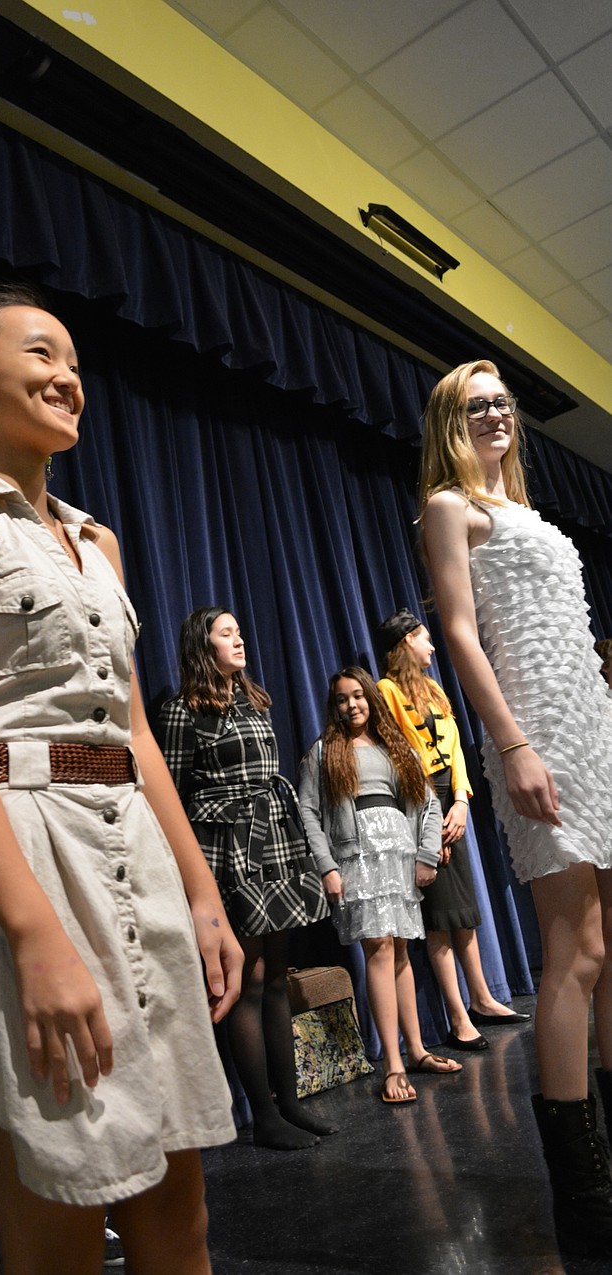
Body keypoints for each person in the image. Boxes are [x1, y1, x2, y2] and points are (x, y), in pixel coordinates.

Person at [0, 283, 243, 1275]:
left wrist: (203, 892)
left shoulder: (99, 543)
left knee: (179, 1213)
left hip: (131, 848)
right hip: (24, 855)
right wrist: (34, 933)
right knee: (59, 1218)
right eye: (41, 354)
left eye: (76, 366)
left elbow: (130, 728)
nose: (67, 379)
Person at [419, 358, 612, 1257]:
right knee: (574, 953)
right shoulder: (450, 507)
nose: (495, 413)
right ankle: (586, 1192)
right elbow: (459, 631)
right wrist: (512, 745)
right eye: (475, 403)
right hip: (534, 733)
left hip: (593, 732)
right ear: (450, 421)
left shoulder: (531, 512)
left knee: (611, 953)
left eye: (503, 402)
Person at [159, 607, 335, 1149]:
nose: (239, 640)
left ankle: (291, 1103)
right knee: (251, 982)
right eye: (226, 633)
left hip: (275, 841)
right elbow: (171, 795)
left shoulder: (254, 701)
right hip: (229, 850)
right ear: (202, 645)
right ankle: (262, 1115)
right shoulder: (182, 712)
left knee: (279, 977)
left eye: (240, 630)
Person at [298, 666, 462, 1105]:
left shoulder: (395, 747)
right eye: (342, 699)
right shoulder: (322, 753)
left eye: (358, 696)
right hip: (357, 857)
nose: (352, 705)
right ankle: (391, 1062)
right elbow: (309, 813)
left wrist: (426, 855)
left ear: (370, 698)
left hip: (397, 853)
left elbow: (427, 804)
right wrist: (327, 866)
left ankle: (416, 1050)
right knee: (379, 948)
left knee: (402, 948)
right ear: (333, 707)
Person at [375, 607, 531, 1050]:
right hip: (420, 802)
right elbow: (400, 758)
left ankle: (482, 997)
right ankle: (458, 1017)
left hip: (450, 802)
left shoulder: (434, 689)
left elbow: (458, 750)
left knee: (462, 909)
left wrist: (461, 800)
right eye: (424, 638)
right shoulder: (386, 691)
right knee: (440, 917)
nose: (431, 646)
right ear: (406, 642)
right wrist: (427, 828)